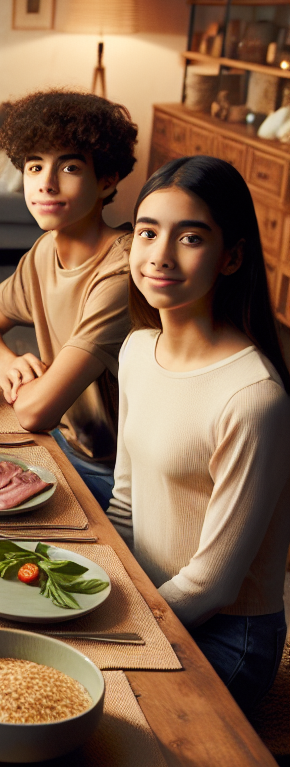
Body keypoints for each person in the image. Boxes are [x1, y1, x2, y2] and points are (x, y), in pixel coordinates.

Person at [107, 155, 290, 712]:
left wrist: (117, 632)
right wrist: (102, 595)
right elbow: (124, 499)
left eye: (190, 237)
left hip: (228, 637)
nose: (160, 255)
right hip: (155, 602)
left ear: (231, 256)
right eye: (147, 232)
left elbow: (214, 585)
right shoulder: (138, 349)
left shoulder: (253, 397)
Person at [0, 90, 138, 509]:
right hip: (63, 442)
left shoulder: (123, 269)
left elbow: (35, 412)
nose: (46, 182)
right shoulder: (44, 251)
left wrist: (28, 389)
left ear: (107, 180)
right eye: (35, 165)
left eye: (70, 167)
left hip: (114, 476)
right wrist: (7, 361)